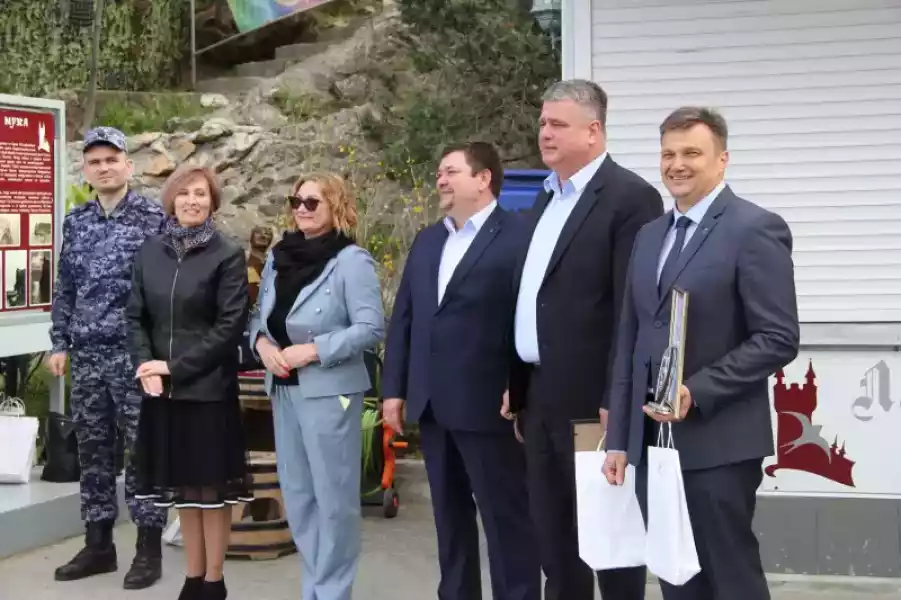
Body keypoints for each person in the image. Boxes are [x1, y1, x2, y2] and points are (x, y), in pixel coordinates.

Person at [603, 106, 800, 600]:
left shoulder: (754, 228)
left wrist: (697, 390)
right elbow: (630, 340)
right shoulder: (650, 235)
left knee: (730, 581)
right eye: (668, 154)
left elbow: (777, 337)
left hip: (719, 446)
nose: (677, 165)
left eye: (691, 152)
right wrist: (620, 439)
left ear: (722, 159)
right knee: (677, 582)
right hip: (652, 446)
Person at [508, 79, 664, 600]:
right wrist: (517, 381)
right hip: (540, 399)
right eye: (542, 123)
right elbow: (531, 296)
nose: (544, 133)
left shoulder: (629, 198)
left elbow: (631, 309)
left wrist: (616, 399)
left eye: (558, 124)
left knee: (611, 548)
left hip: (594, 406)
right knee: (557, 550)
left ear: (593, 131)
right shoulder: (545, 197)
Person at [382, 142, 541, 600]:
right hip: (433, 406)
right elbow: (405, 319)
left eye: (450, 172)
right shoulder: (428, 240)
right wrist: (394, 390)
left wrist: (519, 386)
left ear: (484, 178)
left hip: (490, 408)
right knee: (449, 522)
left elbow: (528, 319)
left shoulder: (519, 237)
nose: (440, 180)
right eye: (438, 173)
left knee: (506, 522)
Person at [248, 172, 385, 600]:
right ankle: (317, 588)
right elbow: (258, 317)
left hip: (330, 392)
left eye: (312, 202)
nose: (302, 209)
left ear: (335, 207)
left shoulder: (351, 261)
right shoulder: (278, 258)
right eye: (297, 201)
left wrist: (313, 351)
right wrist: (261, 344)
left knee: (334, 501)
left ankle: (332, 592)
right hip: (283, 389)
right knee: (299, 497)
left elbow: (371, 327)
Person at [48, 126, 168, 590]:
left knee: (143, 451)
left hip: (135, 357)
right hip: (87, 356)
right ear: (85, 170)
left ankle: (148, 549)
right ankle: (98, 545)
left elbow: (167, 290)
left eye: (111, 159)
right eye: (95, 162)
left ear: (128, 165)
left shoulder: (153, 219)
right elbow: (67, 286)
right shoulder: (77, 221)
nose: (104, 168)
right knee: (93, 451)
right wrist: (59, 342)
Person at [127, 163, 252, 600]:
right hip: (162, 393)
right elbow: (135, 316)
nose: (191, 201)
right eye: (184, 193)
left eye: (201, 193)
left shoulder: (227, 254)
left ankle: (214, 582)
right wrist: (146, 366)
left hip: (208, 391)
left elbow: (229, 327)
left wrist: (173, 367)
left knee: (211, 493)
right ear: (171, 200)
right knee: (185, 490)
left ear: (213, 202)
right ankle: (192, 578)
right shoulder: (149, 252)